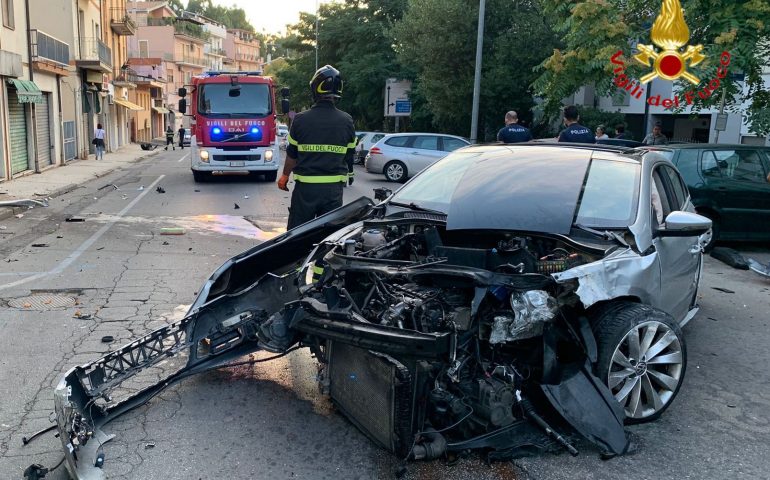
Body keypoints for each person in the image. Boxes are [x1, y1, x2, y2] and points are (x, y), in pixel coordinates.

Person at [278, 65, 356, 230]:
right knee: (327, 235)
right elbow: (349, 154)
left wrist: (284, 176)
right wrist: (350, 174)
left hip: (306, 189)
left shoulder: (300, 119)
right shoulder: (346, 120)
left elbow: (292, 154)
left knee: (297, 234)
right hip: (333, 191)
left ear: (315, 89)